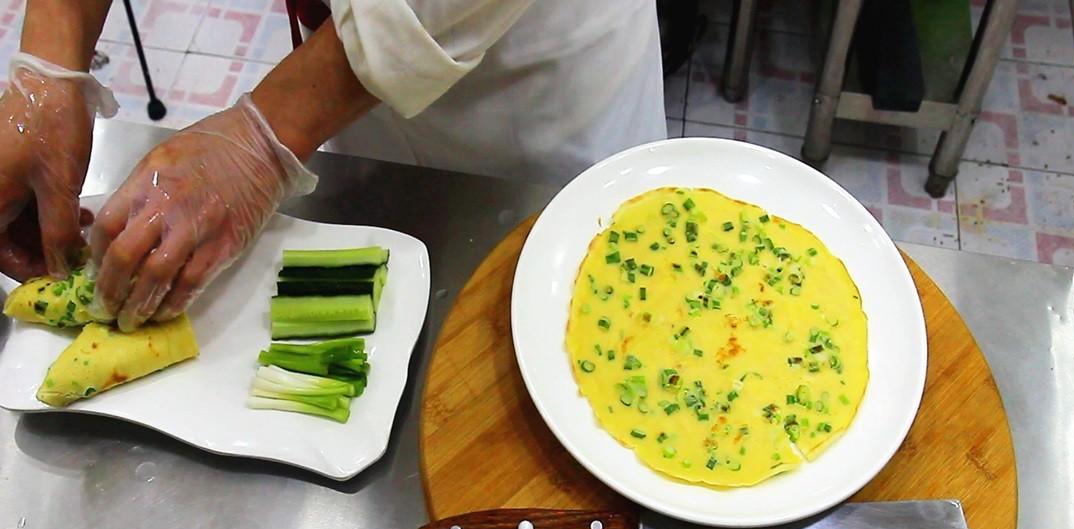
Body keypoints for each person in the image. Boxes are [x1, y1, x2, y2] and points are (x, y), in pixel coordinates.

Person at [0, 0, 665, 331]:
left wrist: (263, 138)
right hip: (348, 78)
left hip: (528, 90)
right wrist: (51, 62)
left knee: (584, 317)